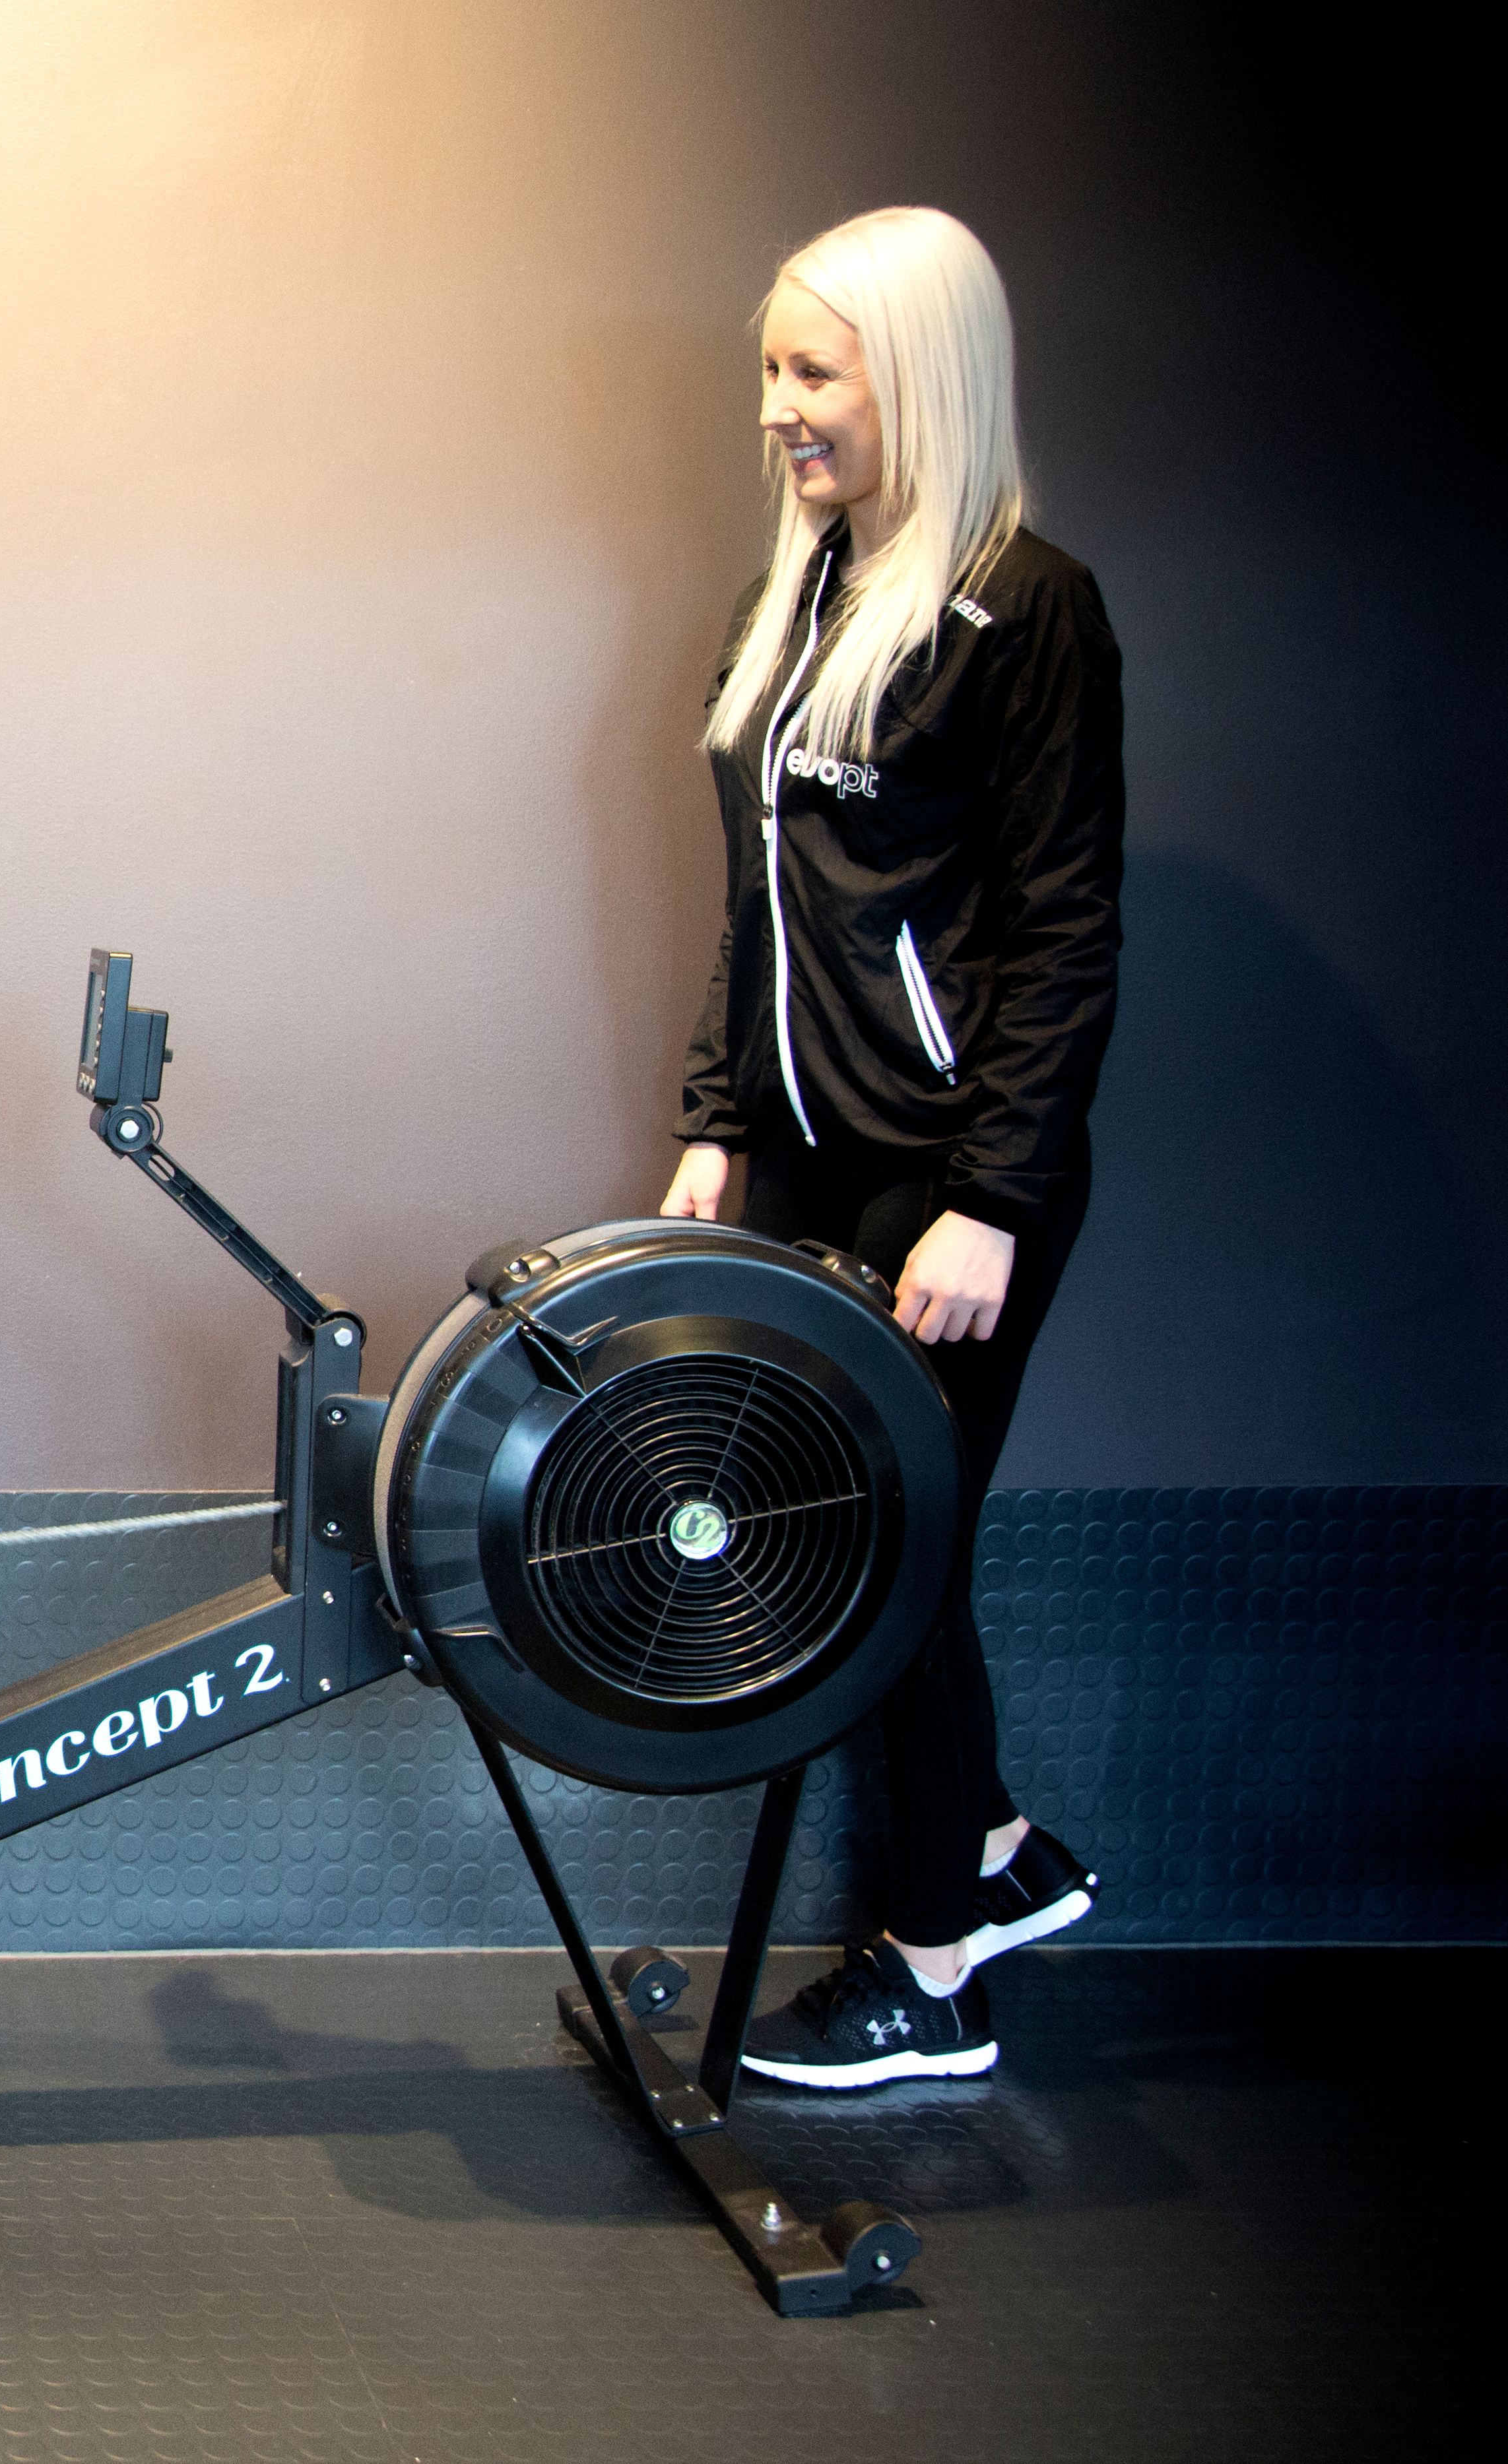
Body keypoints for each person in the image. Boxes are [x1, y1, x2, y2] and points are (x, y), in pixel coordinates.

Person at [659, 207, 1115, 2089]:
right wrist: (713, 1123)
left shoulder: (1028, 608)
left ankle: (934, 1972)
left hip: (944, 1180)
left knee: (879, 1559)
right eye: (769, 371)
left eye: (812, 371)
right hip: (803, 1158)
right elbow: (755, 908)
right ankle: (994, 1851)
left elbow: (1063, 934)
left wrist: (988, 1200)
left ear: (916, 377)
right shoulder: (801, 599)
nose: (777, 408)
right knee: (836, 1541)